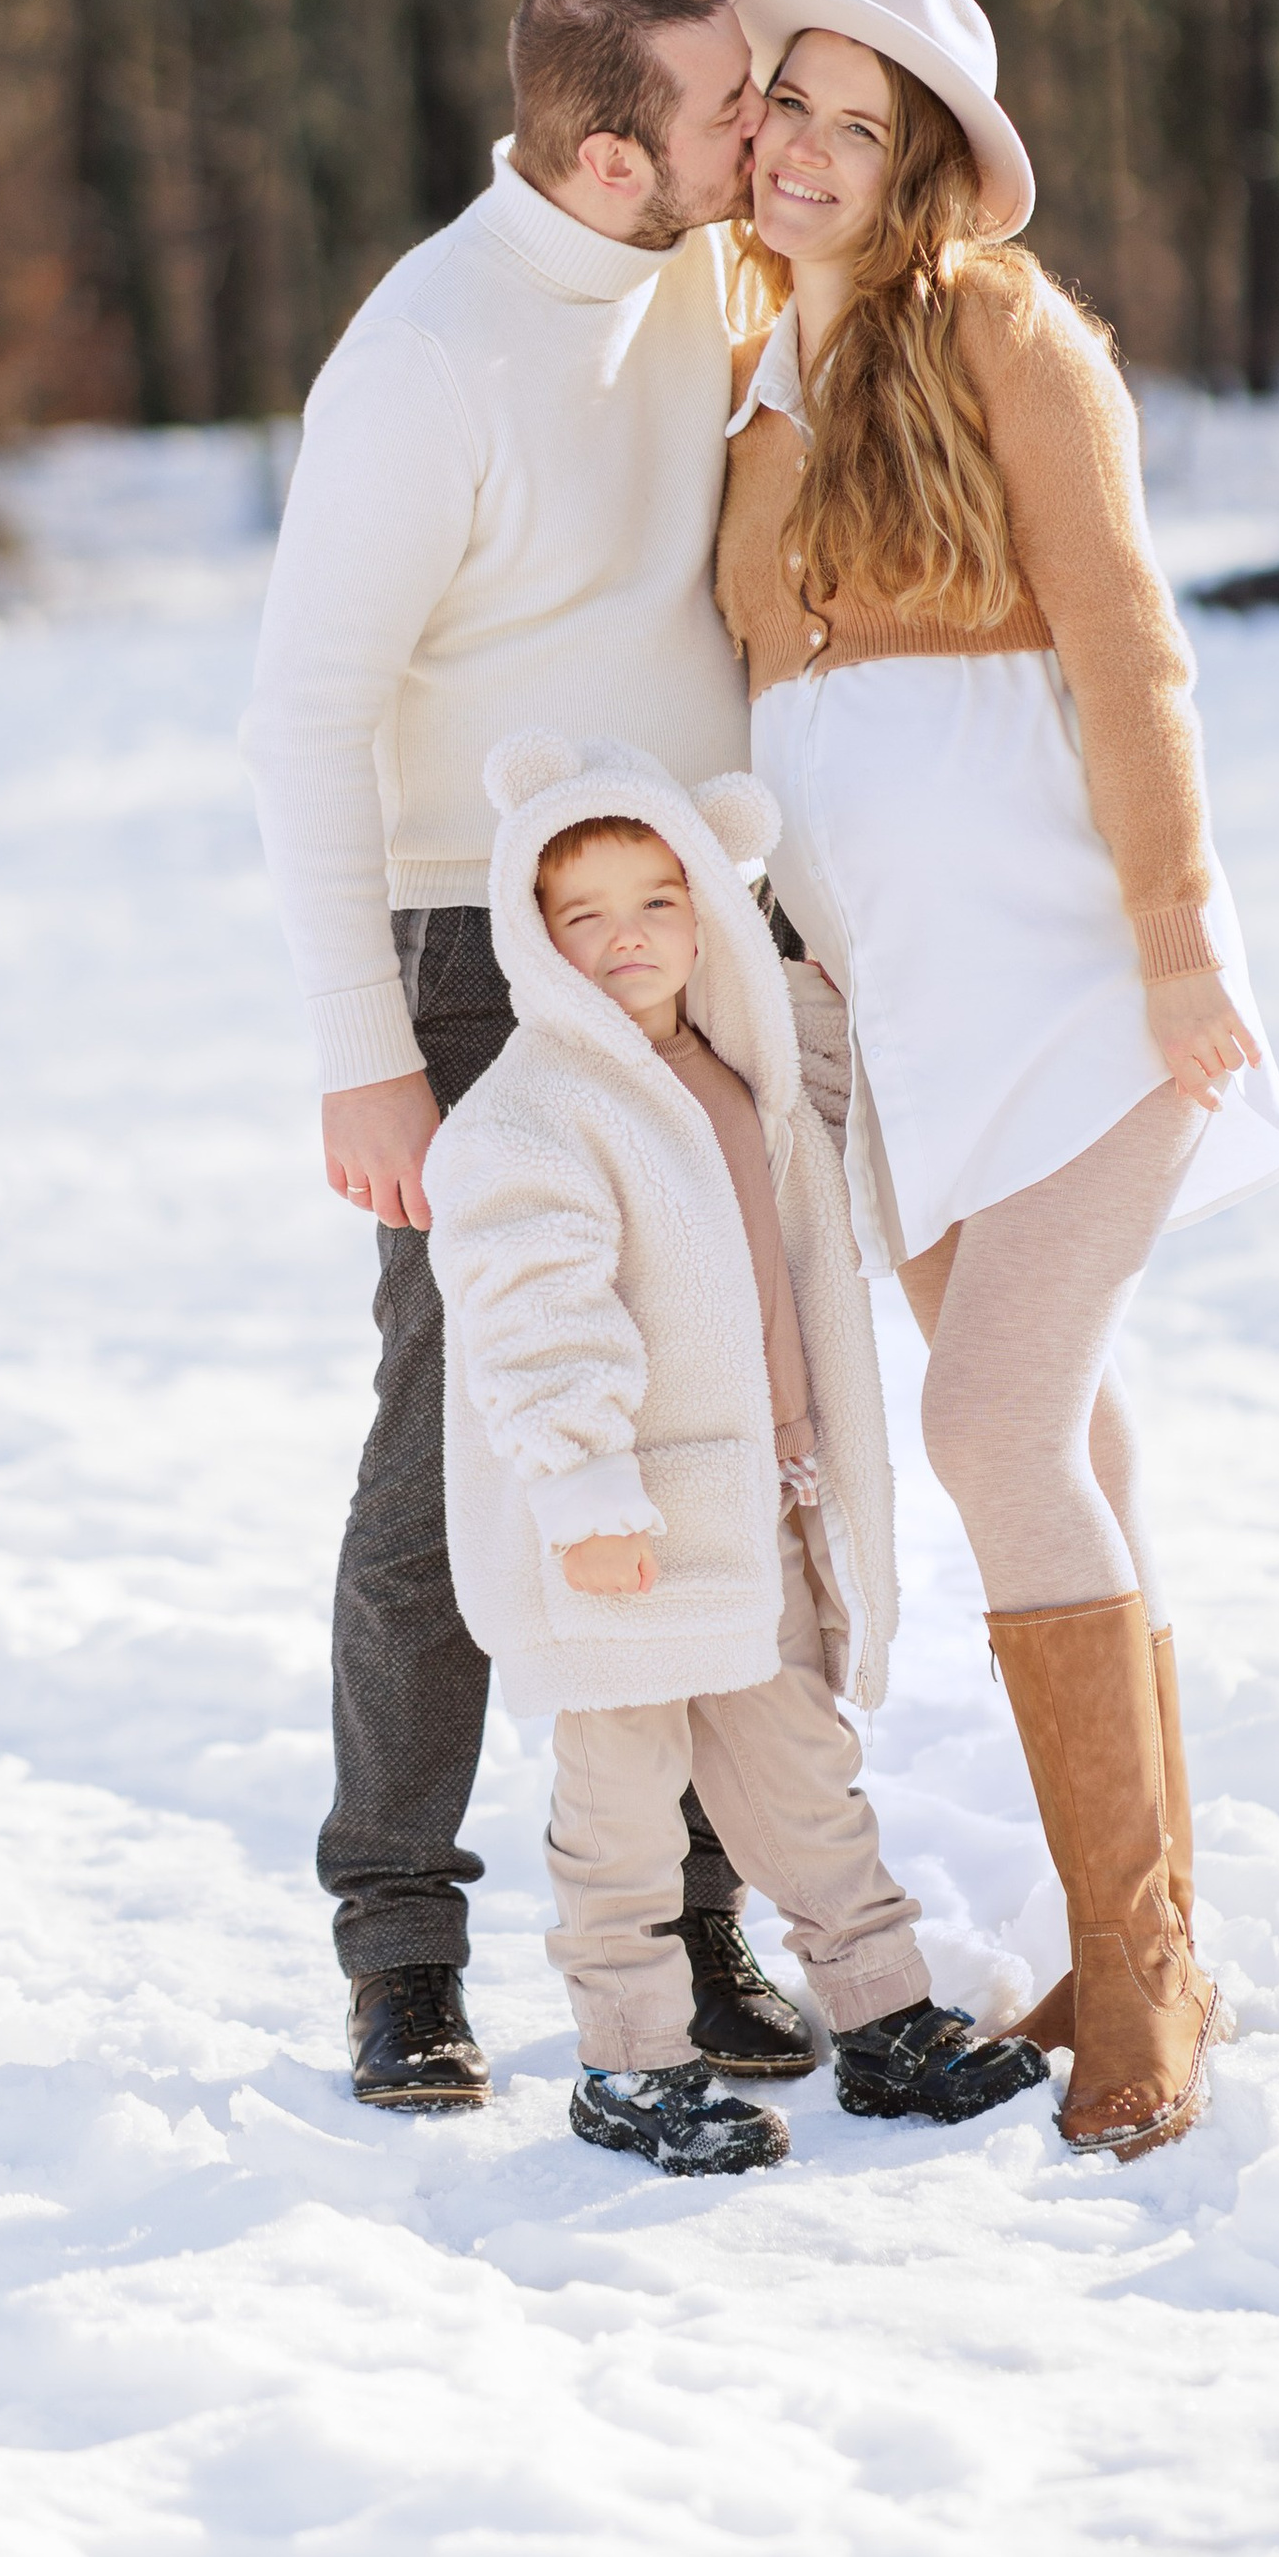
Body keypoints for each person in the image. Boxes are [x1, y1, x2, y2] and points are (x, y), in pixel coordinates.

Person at [239, 0, 846, 2111]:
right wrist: (362, 1048)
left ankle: (686, 1926)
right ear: (610, 158)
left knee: (698, 1419)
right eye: (719, 108)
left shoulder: (699, 276)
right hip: (476, 955)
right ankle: (398, 1946)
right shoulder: (426, 357)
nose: (756, 128)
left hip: (689, 930)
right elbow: (301, 715)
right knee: (464, 1439)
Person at [711, 0, 1279, 2159]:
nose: (792, 145)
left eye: (850, 125)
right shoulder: (755, 365)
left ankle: (1140, 1973)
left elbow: (1128, 650)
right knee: (1068, 1429)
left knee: (990, 1423)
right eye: (781, 104)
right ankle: (1130, 1931)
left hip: (1075, 980)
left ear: (927, 167)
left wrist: (1170, 943)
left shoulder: (1002, 333)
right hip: (903, 1015)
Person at [422, 728, 1048, 2175]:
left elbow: (826, 1160)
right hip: (623, 1523)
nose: (623, 939)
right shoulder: (534, 1112)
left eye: (658, 901)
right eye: (581, 915)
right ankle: (630, 2061)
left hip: (758, 1494)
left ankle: (883, 2015)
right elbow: (536, 1314)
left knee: (801, 1776)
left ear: (708, 902)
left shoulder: (731, 1069)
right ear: (531, 932)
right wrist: (583, 1490)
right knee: (623, 1809)